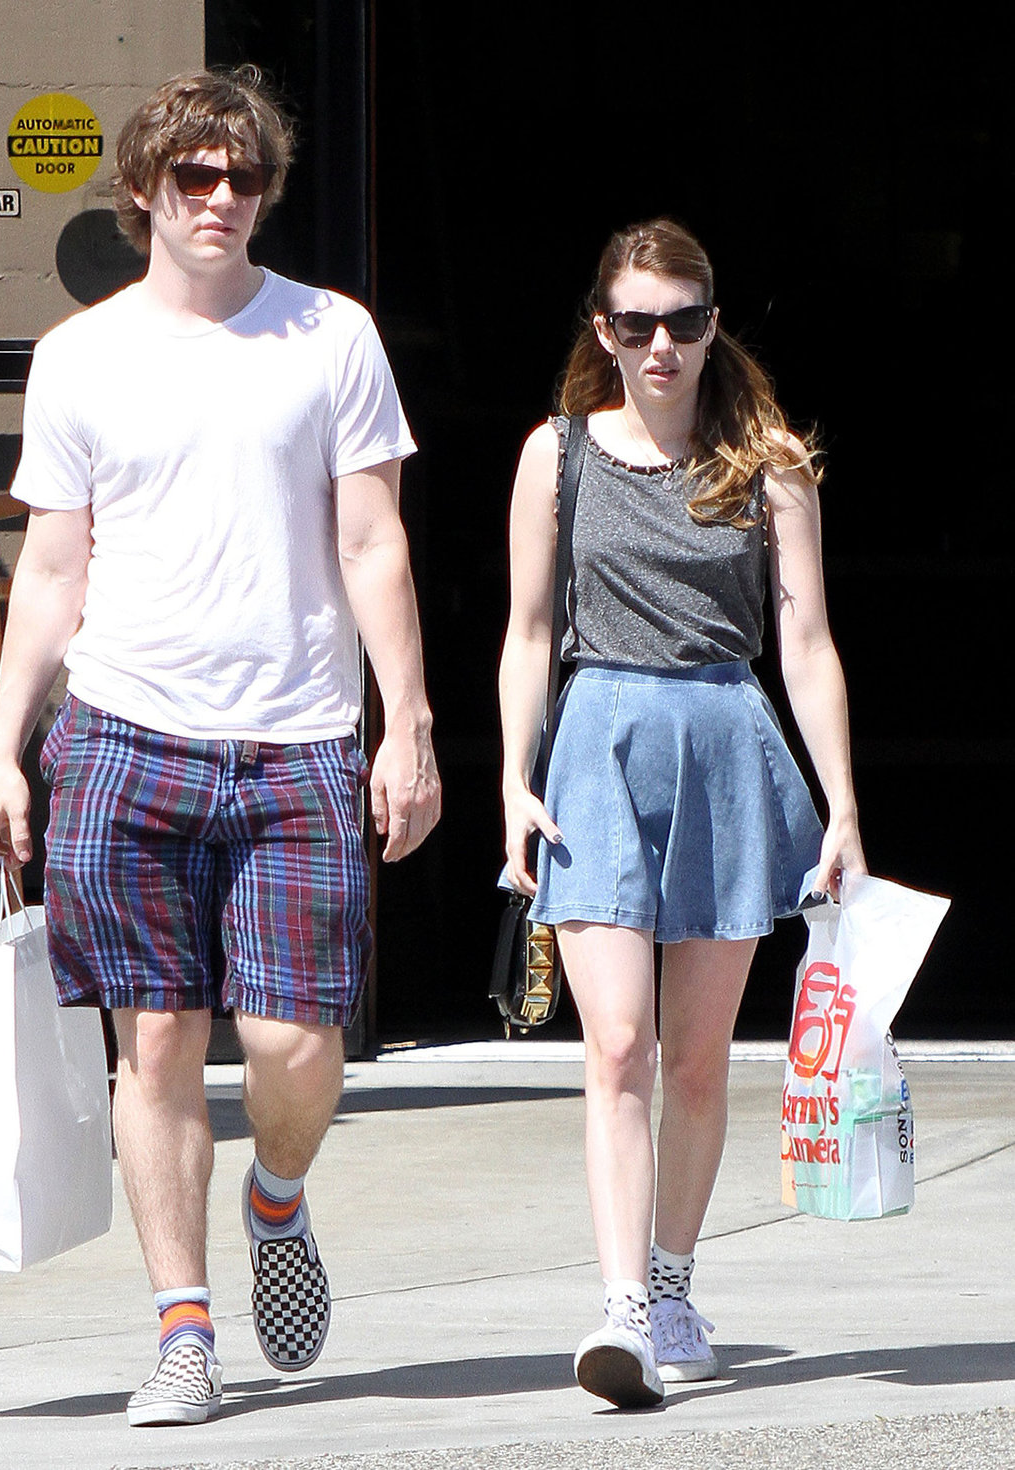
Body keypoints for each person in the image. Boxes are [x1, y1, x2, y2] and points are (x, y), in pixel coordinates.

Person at [0, 66, 440, 1428]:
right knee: (159, 1040)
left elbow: (373, 538)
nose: (223, 197)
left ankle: (276, 1196)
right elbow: (51, 569)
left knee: (294, 1043)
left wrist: (407, 723)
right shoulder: (81, 357)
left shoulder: (331, 335)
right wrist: (4, 751)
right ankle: (183, 1331)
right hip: (124, 735)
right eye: (196, 174)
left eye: (246, 176)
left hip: (296, 738)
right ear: (144, 190)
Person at [498, 219, 865, 1409]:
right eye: (638, 323)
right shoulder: (555, 455)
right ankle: (620, 1307)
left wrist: (843, 804)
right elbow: (529, 632)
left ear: (713, 327)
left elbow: (806, 643)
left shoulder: (768, 462)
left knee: (698, 1060)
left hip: (723, 742)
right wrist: (513, 777)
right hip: (597, 743)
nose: (661, 346)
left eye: (686, 322)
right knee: (618, 1044)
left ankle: (670, 1281)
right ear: (604, 330)